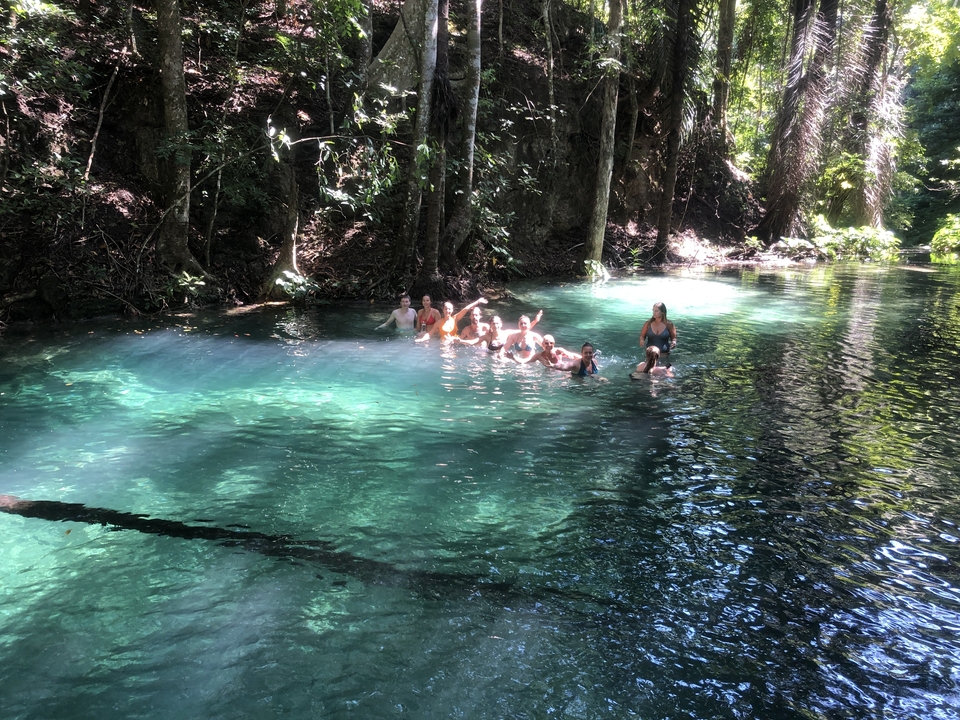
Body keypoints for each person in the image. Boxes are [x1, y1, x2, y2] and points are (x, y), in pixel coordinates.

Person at [417, 297, 488, 343]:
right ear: (443, 310)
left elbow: (466, 309)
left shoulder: (455, 319)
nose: (448, 311)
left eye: (449, 309)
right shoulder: (438, 323)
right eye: (446, 309)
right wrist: (422, 339)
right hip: (443, 345)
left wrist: (478, 301)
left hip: (454, 344)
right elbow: (429, 334)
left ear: (452, 310)